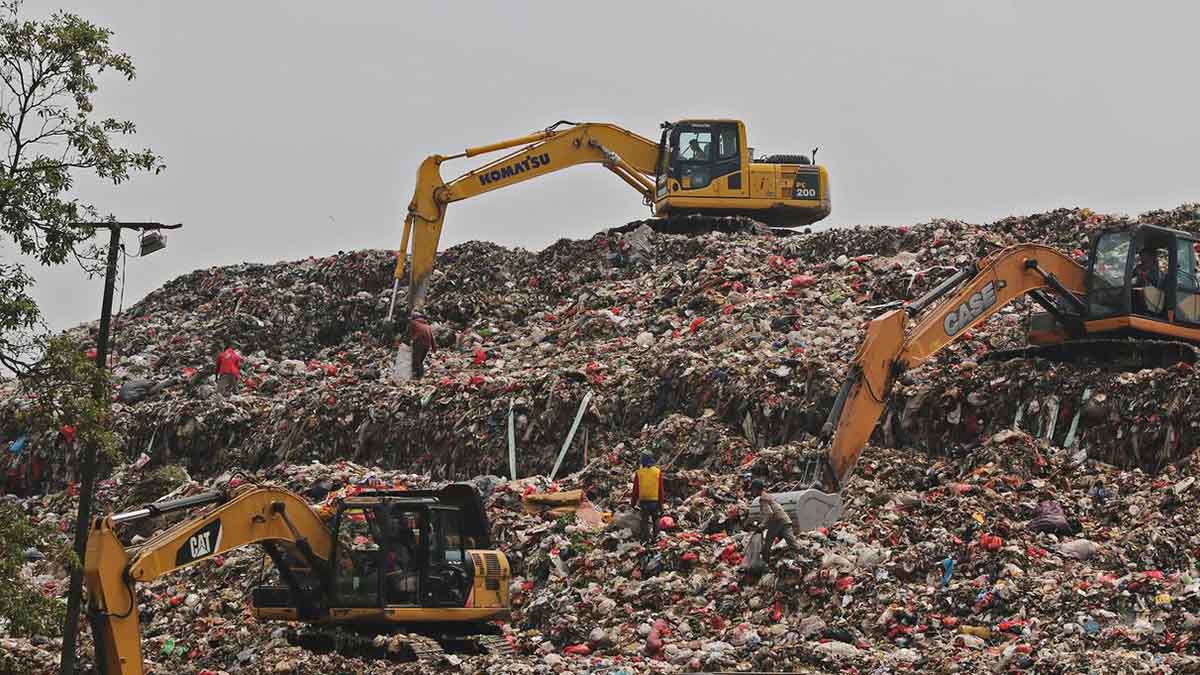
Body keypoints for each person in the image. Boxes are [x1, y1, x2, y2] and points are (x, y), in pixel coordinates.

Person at [749, 479, 800, 562]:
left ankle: (764, 564)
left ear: (757, 489)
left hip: (776, 522)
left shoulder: (763, 499)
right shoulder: (767, 496)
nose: (752, 492)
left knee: (767, 546)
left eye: (753, 490)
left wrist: (762, 525)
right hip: (784, 520)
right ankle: (803, 556)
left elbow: (769, 513)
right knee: (792, 542)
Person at [629, 452, 664, 544]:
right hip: (655, 501)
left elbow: (635, 490)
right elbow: (661, 490)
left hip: (644, 501)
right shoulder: (657, 471)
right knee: (655, 519)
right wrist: (661, 504)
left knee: (644, 520)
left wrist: (633, 503)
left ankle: (646, 539)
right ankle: (655, 538)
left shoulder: (639, 473)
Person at [409, 313, 436, 379]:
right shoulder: (428, 326)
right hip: (427, 345)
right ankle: (420, 375)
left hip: (419, 343)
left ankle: (418, 376)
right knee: (420, 360)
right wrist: (434, 348)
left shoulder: (413, 323)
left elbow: (410, 334)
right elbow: (432, 338)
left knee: (416, 360)